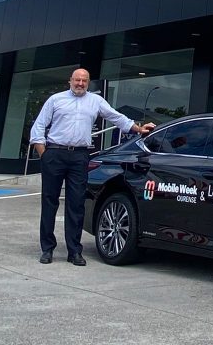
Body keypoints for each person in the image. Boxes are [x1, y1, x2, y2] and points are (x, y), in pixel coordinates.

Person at [29, 68, 154, 266]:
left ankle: (74, 251)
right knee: (50, 202)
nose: (80, 83)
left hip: (79, 156)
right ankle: (47, 249)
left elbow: (115, 116)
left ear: (88, 83)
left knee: (77, 204)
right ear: (70, 81)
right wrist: (44, 155)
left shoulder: (95, 101)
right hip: (55, 153)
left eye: (84, 81)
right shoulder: (56, 99)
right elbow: (39, 126)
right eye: (77, 80)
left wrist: (138, 128)